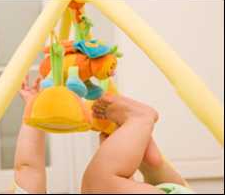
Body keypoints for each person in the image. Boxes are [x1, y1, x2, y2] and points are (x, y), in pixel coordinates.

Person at [14, 76, 193, 194]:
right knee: (98, 185)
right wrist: (33, 109)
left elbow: (28, 168)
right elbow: (27, 167)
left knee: (115, 179)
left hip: (167, 188)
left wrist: (35, 108)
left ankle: (147, 162)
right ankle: (139, 122)